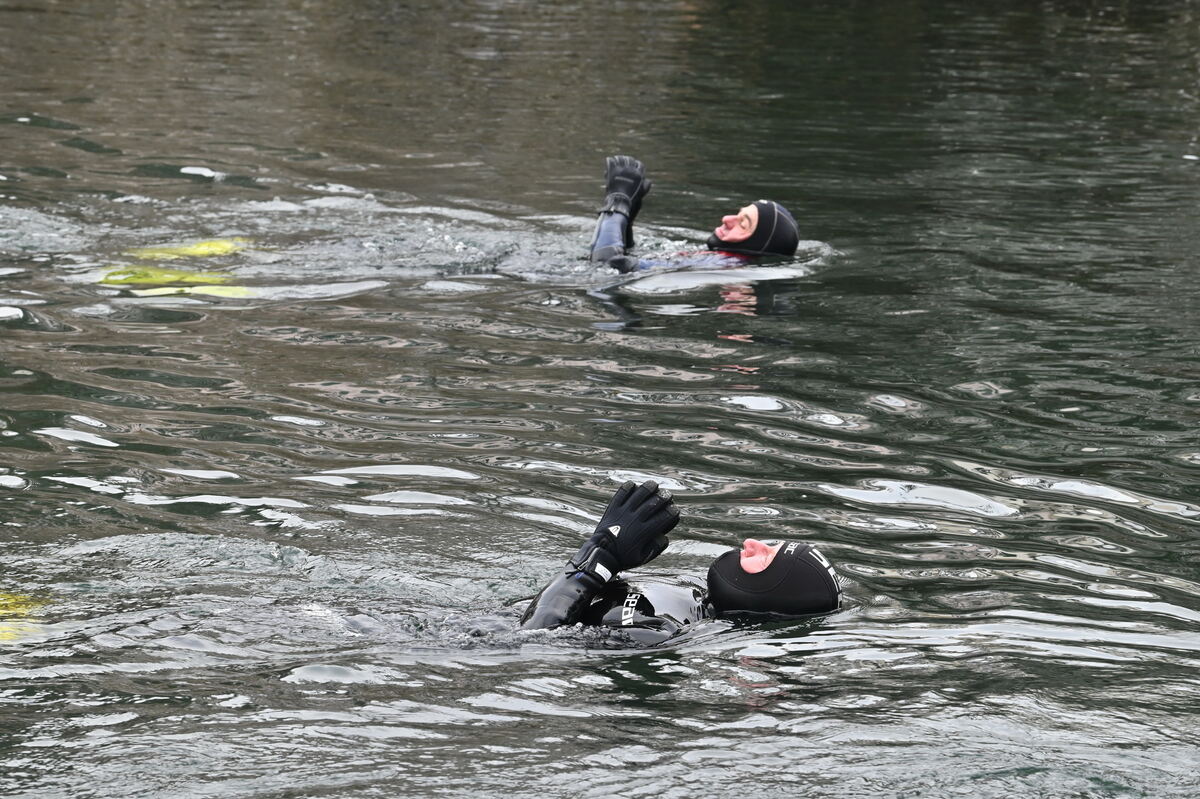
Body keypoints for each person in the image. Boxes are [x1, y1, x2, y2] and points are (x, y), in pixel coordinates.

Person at [520, 480, 841, 645]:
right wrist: (614, 567)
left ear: (774, 592)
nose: (751, 543)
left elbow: (530, 641)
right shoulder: (690, 592)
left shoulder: (664, 632)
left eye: (767, 555)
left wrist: (599, 555)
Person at [588, 155, 802, 273]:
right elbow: (625, 260)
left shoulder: (721, 265)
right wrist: (630, 216)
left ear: (758, 244)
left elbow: (608, 265)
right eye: (738, 213)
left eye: (742, 224)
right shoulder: (717, 260)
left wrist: (618, 202)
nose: (727, 219)